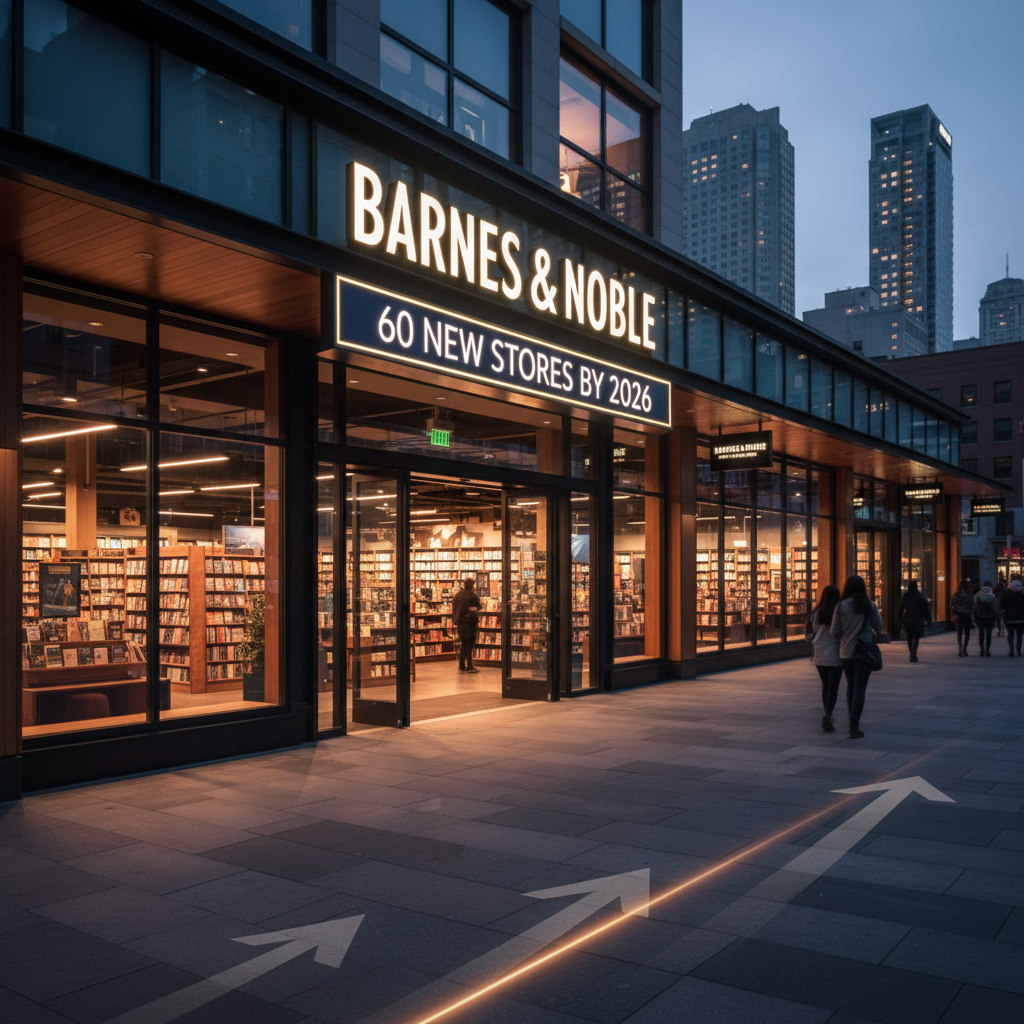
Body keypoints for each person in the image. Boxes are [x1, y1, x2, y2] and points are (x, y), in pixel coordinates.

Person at [831, 574, 882, 739]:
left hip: (846, 652)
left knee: (850, 686)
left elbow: (834, 631)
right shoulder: (870, 605)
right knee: (860, 689)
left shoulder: (840, 606)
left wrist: (845, 637)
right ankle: (854, 723)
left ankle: (850, 717)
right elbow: (879, 626)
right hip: (863, 652)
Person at [806, 585, 842, 732]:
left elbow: (809, 634)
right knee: (833, 686)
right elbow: (839, 632)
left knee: (825, 685)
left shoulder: (816, 613)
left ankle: (827, 712)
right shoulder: (837, 612)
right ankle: (828, 714)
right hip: (835, 653)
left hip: (819, 654)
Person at [452, 578, 481, 673]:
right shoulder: (472, 595)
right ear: (472, 585)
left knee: (464, 643)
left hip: (460, 622)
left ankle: (461, 665)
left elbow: (455, 608)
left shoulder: (457, 595)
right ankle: (469, 665)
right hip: (470, 622)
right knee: (470, 644)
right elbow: (479, 606)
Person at [898, 580, 931, 663]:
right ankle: (913, 654)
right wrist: (928, 620)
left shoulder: (905, 596)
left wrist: (900, 619)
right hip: (918, 619)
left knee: (909, 637)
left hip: (908, 619)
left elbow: (901, 609)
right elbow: (926, 610)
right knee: (916, 638)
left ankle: (912, 653)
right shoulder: (921, 597)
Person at [973, 581, 999, 657]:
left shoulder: (978, 595)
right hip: (990, 617)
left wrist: (974, 615)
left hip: (980, 616)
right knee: (988, 634)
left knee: (981, 633)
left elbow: (975, 607)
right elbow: (994, 607)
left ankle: (981, 649)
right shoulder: (992, 596)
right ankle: (987, 650)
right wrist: (996, 615)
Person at [951, 579, 975, 656]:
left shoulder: (956, 595)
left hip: (959, 614)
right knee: (967, 633)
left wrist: (954, 611)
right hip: (967, 614)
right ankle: (965, 648)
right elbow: (972, 605)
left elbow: (952, 604)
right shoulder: (970, 595)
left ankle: (960, 646)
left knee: (959, 632)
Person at [1003, 578, 1024, 657]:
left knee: (1010, 634)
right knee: (1019, 635)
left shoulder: (1007, 596)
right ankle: (1018, 649)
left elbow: (1002, 605)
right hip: (1021, 618)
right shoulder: (1022, 596)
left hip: (1010, 618)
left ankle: (1011, 649)